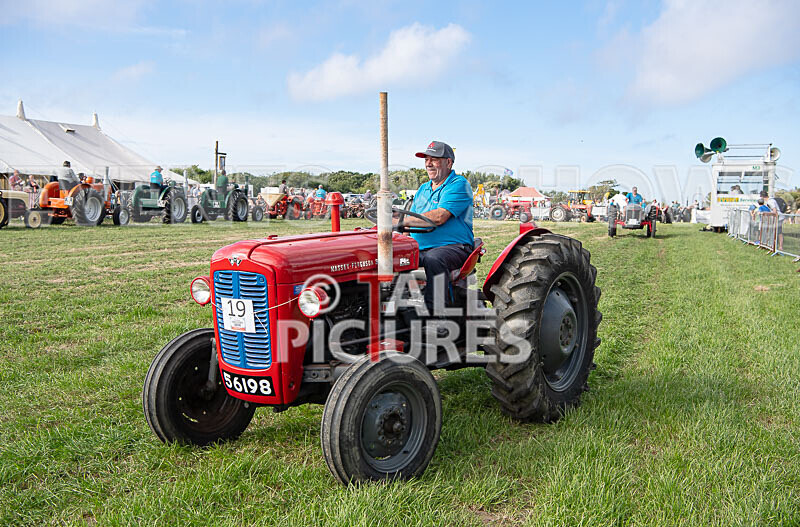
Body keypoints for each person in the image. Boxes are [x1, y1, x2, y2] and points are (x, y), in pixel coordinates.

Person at [404, 140, 474, 317]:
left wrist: (402, 220)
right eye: (426, 159)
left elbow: (440, 216)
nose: (428, 163)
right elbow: (411, 219)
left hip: (454, 247)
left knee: (434, 258)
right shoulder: (423, 189)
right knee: (388, 257)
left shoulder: (458, 184)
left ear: (448, 162)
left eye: (434, 159)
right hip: (421, 249)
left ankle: (437, 315)